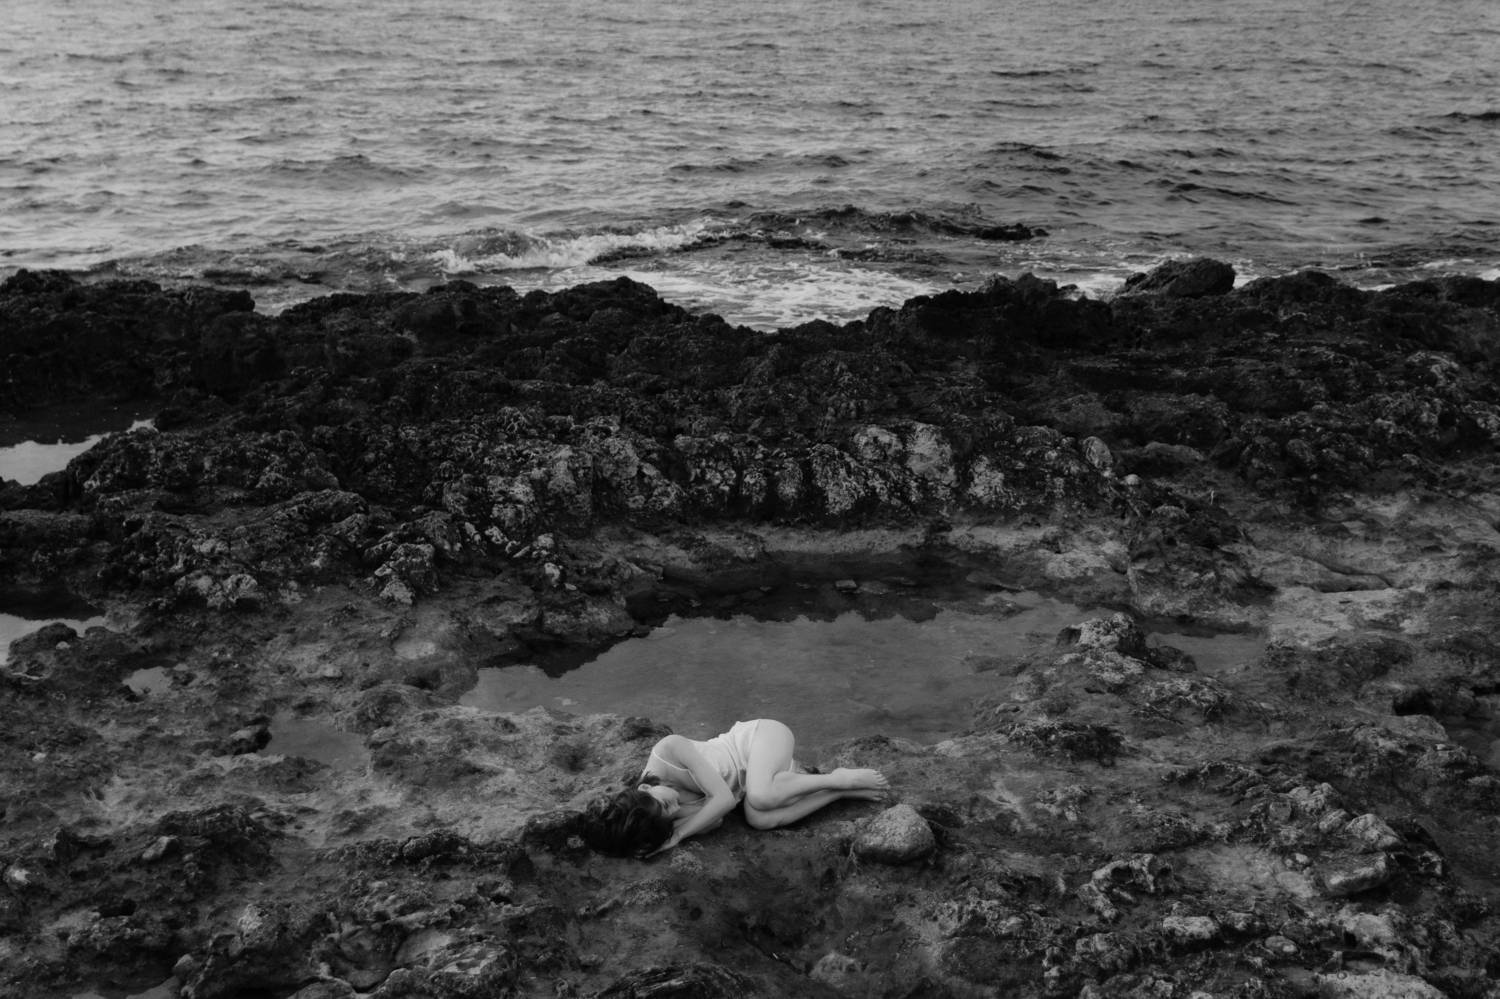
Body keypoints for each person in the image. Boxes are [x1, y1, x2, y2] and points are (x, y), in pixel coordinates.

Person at [582, 718, 889, 858]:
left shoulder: (669, 749)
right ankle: (837, 792)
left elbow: (724, 800)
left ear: (645, 790)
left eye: (666, 804)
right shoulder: (656, 816)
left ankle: (836, 778)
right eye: (670, 816)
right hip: (761, 778)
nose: (674, 808)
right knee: (759, 819)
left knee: (760, 796)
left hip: (762, 739)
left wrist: (678, 835)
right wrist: (668, 829)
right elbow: (715, 821)